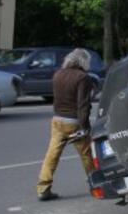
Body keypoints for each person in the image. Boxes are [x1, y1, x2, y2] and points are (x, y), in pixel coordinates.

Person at [36, 48, 95, 201]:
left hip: (57, 120)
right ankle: (95, 183)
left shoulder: (58, 74)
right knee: (86, 155)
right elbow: (83, 105)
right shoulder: (83, 77)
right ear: (84, 61)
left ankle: (43, 188)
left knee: (52, 155)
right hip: (74, 122)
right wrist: (86, 127)